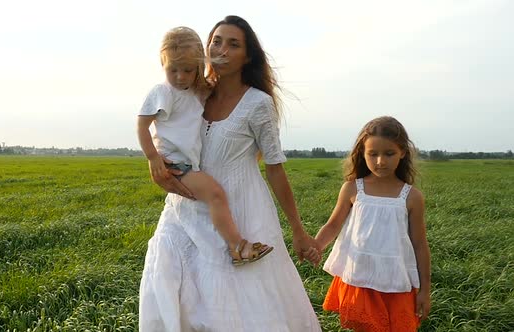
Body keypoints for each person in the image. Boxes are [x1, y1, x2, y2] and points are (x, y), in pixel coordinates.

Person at [139, 16, 322, 331]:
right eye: (217, 41)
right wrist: (155, 164)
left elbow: (275, 169)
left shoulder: (258, 104)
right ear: (205, 49)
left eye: (233, 44)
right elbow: (162, 130)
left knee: (242, 304)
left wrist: (298, 229)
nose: (222, 49)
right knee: (180, 296)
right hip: (185, 211)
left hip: (242, 208)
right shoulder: (193, 92)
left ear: (247, 56)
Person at [137, 26, 273, 266]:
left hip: (189, 162)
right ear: (162, 64)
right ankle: (237, 246)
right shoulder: (162, 92)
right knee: (216, 195)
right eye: (173, 70)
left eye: (188, 70)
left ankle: (236, 246)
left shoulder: (197, 90)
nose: (180, 76)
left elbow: (215, 88)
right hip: (176, 163)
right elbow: (142, 125)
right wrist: (153, 158)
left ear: (198, 66)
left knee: (215, 196)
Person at [311, 116, 431, 331]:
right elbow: (332, 225)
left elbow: (420, 245)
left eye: (389, 153)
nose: (380, 161)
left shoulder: (412, 196)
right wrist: (316, 246)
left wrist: (425, 289)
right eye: (372, 154)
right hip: (360, 277)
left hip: (396, 281)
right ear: (362, 153)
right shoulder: (352, 189)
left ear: (403, 152)